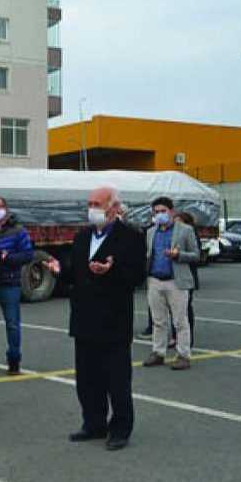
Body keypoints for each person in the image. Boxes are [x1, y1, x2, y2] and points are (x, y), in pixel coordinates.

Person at [45, 186, 146, 451]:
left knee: (117, 379)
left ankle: (120, 428)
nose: (92, 209)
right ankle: (93, 423)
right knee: (87, 378)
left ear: (114, 208)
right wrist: (59, 271)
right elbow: (77, 274)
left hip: (113, 320)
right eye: (89, 203)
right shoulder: (83, 236)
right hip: (84, 319)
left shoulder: (131, 237)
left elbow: (137, 276)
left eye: (97, 204)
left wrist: (111, 270)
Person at [142, 197, 199, 371]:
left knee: (180, 321)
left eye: (163, 211)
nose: (159, 215)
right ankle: (158, 353)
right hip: (154, 280)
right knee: (158, 321)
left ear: (171, 212)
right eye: (156, 212)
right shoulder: (151, 232)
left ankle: (183, 355)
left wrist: (178, 255)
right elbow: (149, 254)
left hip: (176, 281)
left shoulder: (185, 230)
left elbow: (196, 254)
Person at [0, 196, 34, 374]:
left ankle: (14, 360)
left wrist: (7, 257)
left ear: (5, 209)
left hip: (9, 283)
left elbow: (27, 255)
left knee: (12, 324)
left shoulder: (18, 231)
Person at [174, 212, 199, 348]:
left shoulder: (189, 233)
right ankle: (175, 336)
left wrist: (179, 255)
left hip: (186, 276)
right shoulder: (171, 233)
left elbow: (196, 255)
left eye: (179, 221)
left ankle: (187, 339)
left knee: (185, 309)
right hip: (173, 277)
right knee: (174, 310)